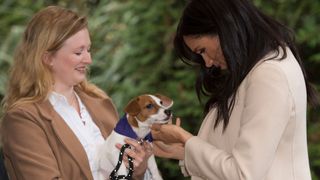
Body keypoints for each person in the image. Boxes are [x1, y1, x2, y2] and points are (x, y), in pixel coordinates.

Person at [151, 0, 319, 179]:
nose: (207, 62)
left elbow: (243, 173)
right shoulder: (255, 70)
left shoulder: (269, 75)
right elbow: (235, 153)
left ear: (223, 28)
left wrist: (185, 138)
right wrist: (183, 150)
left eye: (203, 50)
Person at [0, 6, 153, 180]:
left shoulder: (101, 103)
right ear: (48, 58)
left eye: (88, 50)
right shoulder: (23, 119)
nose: (88, 59)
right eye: (78, 52)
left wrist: (138, 170)